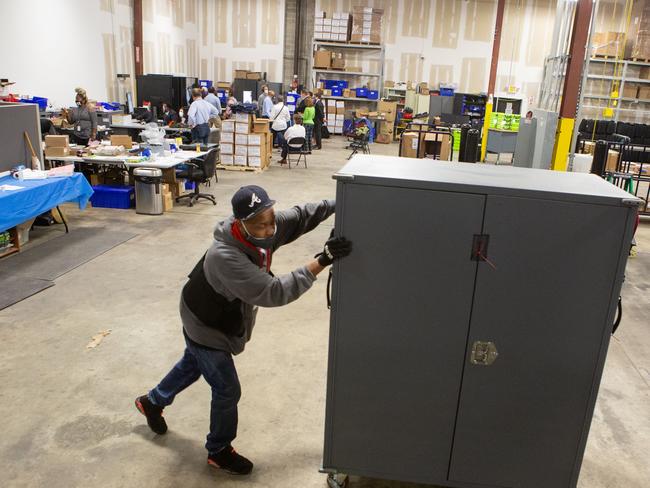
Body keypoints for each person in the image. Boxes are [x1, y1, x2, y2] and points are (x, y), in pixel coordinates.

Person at [135, 185, 351, 475]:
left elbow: (301, 216)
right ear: (240, 223)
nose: (269, 230)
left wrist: (345, 200)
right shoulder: (226, 256)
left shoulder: (264, 226)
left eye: (271, 220)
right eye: (259, 226)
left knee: (193, 363)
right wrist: (322, 259)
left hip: (208, 311)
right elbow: (274, 292)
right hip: (205, 324)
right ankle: (219, 450)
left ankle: (152, 402)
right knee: (226, 389)